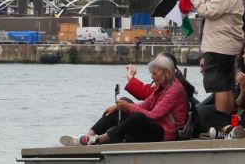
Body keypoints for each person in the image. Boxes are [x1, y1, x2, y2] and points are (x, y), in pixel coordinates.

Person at [60, 53, 190, 145]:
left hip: (165, 133)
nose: (152, 77)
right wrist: (121, 107)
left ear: (166, 73)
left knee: (137, 116)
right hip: (156, 126)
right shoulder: (161, 87)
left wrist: (128, 108)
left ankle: (99, 139)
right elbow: (145, 105)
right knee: (120, 107)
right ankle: (87, 136)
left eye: (154, 74)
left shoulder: (175, 90)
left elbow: (154, 115)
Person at [185, 0, 245, 129]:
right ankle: (228, 123)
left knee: (220, 87)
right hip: (226, 46)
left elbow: (208, 10)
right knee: (225, 85)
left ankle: (223, 125)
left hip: (219, 46)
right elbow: (213, 1)